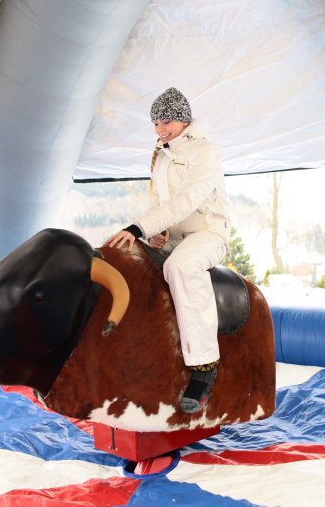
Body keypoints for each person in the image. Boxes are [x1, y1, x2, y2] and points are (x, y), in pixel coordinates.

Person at [105, 87, 231, 413]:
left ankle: (204, 366)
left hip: (207, 234)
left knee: (180, 267)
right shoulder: (161, 155)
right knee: (130, 261)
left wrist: (138, 227)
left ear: (184, 119)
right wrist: (156, 234)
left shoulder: (205, 152)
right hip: (174, 238)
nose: (161, 129)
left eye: (167, 122)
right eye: (156, 123)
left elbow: (188, 200)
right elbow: (161, 205)